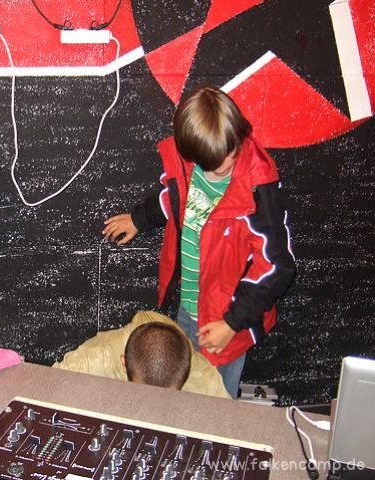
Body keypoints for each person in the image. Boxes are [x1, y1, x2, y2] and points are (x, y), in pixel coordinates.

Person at [102, 87, 295, 398]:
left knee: (216, 402)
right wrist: (140, 219)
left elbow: (277, 267)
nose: (228, 163)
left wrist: (232, 324)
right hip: (189, 307)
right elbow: (176, 198)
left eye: (231, 153)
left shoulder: (257, 190)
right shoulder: (189, 166)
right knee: (184, 395)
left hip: (226, 322)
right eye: (216, 165)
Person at [53, 311, 230, 399]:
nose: (154, 406)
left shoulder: (206, 380)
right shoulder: (95, 359)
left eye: (168, 397)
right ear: (123, 363)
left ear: (186, 371)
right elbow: (49, 389)